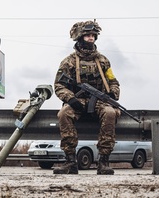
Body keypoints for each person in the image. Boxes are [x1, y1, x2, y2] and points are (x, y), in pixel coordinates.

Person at [53, 20, 121, 175]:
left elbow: (113, 81)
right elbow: (58, 85)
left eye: (93, 35)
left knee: (110, 113)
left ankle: (103, 161)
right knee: (63, 114)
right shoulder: (68, 62)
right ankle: (70, 161)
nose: (91, 38)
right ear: (80, 37)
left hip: (100, 101)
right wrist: (70, 98)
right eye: (88, 35)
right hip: (78, 100)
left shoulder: (103, 61)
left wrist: (112, 93)